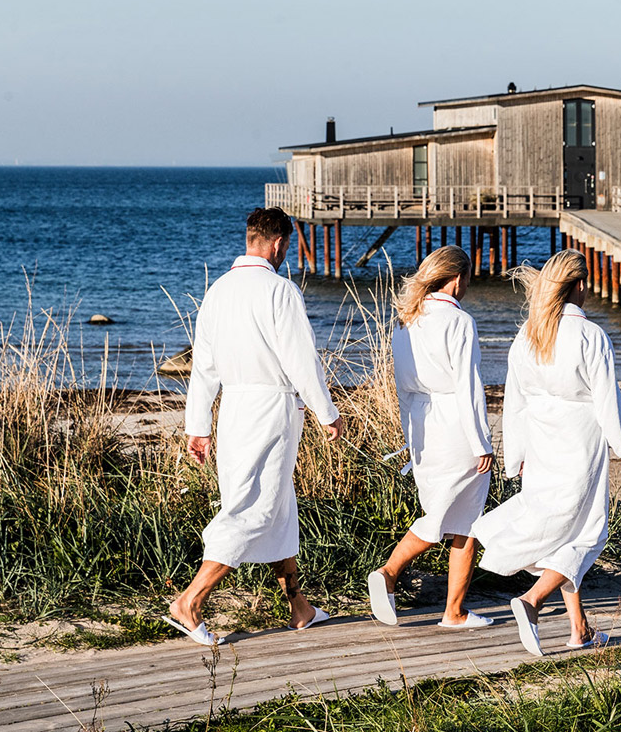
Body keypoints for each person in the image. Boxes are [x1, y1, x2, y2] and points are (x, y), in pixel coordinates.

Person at [165, 207, 344, 646]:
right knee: (254, 509)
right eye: (286, 246)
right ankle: (190, 600)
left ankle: (299, 608)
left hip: (234, 410)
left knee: (279, 510)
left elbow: (203, 368)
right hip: (272, 409)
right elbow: (302, 361)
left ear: (251, 239)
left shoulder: (218, 292)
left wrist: (198, 426)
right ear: (279, 243)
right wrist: (327, 411)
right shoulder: (279, 291)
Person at [471, 249, 621, 655]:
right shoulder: (589, 336)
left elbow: (513, 400)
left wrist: (514, 456)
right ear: (580, 286)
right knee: (588, 532)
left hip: (540, 441)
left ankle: (579, 629)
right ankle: (532, 600)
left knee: (563, 532)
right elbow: (608, 403)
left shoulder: (529, 335)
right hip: (579, 442)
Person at [368, 245, 496, 630]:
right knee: (454, 517)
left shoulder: (407, 322)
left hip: (423, 427)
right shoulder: (459, 322)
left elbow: (402, 388)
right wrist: (482, 442)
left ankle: (454, 612)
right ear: (457, 279)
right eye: (469, 280)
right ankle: (389, 572)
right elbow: (468, 388)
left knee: (459, 518)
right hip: (456, 427)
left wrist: (412, 436)